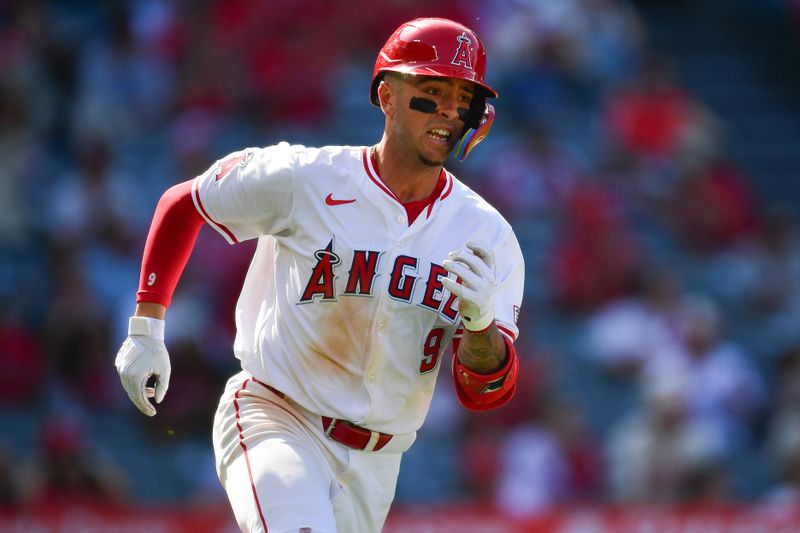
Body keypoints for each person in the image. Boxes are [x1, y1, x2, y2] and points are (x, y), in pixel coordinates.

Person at [114, 17, 524, 533]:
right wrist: (146, 329)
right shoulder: (305, 177)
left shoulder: (489, 236)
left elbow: (484, 393)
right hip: (278, 415)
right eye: (431, 90)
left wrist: (481, 324)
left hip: (378, 462)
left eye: (462, 97)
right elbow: (184, 202)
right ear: (387, 95)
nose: (447, 110)